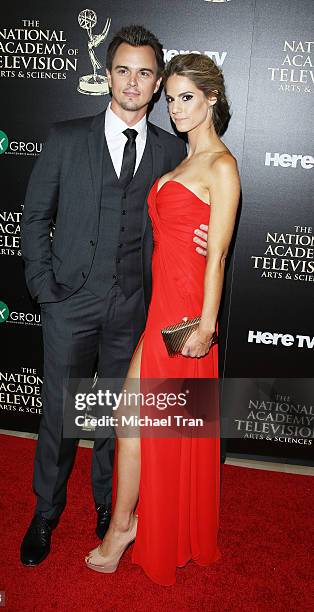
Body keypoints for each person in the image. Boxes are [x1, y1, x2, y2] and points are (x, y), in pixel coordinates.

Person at [20, 26, 208, 567]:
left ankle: (109, 508)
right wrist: (44, 289)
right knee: (60, 414)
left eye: (145, 72)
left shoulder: (174, 151)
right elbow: (34, 217)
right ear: (108, 75)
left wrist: (202, 235)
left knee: (112, 417)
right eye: (123, 69)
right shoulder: (66, 137)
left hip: (134, 308)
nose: (133, 81)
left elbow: (193, 213)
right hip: (69, 303)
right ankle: (46, 512)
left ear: (157, 84)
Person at [85, 52, 240, 585]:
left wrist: (206, 325)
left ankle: (123, 528)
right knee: (134, 424)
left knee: (139, 426)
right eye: (170, 98)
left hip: (185, 322)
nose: (175, 108)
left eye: (187, 98)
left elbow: (217, 254)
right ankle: (129, 524)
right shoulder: (178, 161)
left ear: (212, 99)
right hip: (160, 313)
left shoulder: (222, 165)